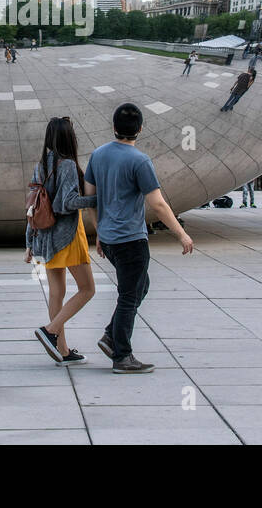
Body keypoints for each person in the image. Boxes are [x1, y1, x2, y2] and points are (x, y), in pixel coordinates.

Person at [86, 103, 193, 374]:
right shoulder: (139, 160)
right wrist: (181, 234)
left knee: (139, 287)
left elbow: (90, 198)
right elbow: (157, 204)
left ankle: (112, 336)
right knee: (128, 295)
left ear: (113, 127)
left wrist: (99, 231)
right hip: (130, 240)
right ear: (141, 129)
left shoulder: (97, 155)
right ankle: (122, 355)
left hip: (110, 239)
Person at [28, 117, 99, 366]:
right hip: (67, 236)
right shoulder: (67, 165)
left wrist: (29, 243)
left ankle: (63, 350)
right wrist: (97, 199)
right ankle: (50, 330)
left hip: (45, 238)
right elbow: (65, 204)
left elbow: (32, 206)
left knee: (57, 292)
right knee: (88, 289)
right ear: (70, 138)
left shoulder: (41, 165)